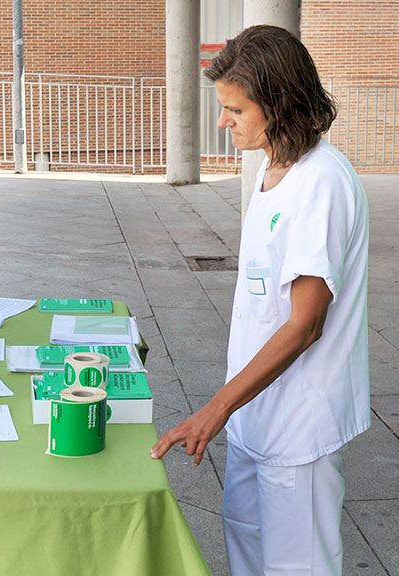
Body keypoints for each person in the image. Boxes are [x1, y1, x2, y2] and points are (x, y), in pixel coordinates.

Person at [150, 25, 370, 576]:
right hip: (255, 412)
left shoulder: (321, 183)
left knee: (296, 565)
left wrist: (214, 409)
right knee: (246, 544)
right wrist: (234, 408)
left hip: (298, 422)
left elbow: (304, 325)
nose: (223, 122)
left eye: (235, 110)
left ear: (279, 105)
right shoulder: (276, 168)